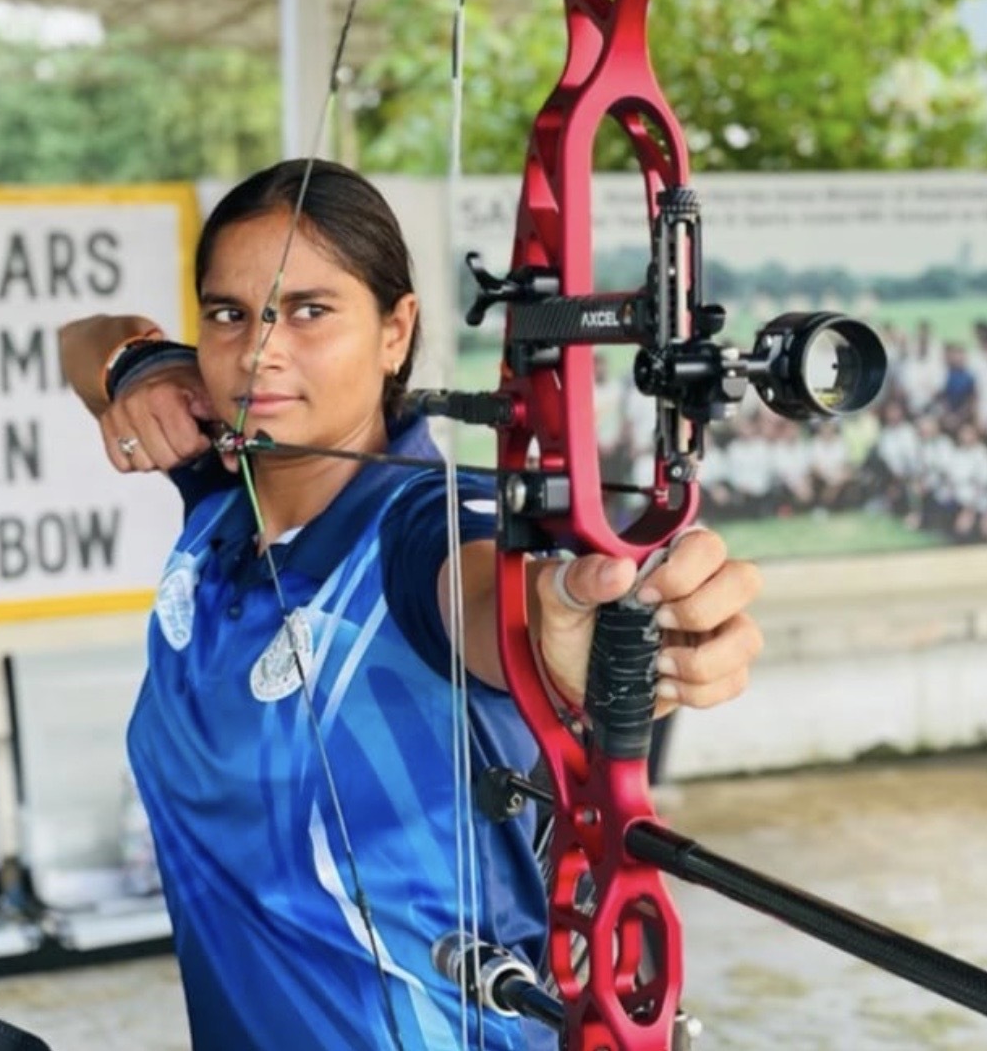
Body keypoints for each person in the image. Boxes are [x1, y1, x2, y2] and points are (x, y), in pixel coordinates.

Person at [57, 159, 764, 1051]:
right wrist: (138, 368)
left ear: (397, 331)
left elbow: (495, 602)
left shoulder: (426, 531)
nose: (259, 348)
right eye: (228, 314)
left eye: (308, 311)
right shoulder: (219, 492)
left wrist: (575, 637)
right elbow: (80, 341)